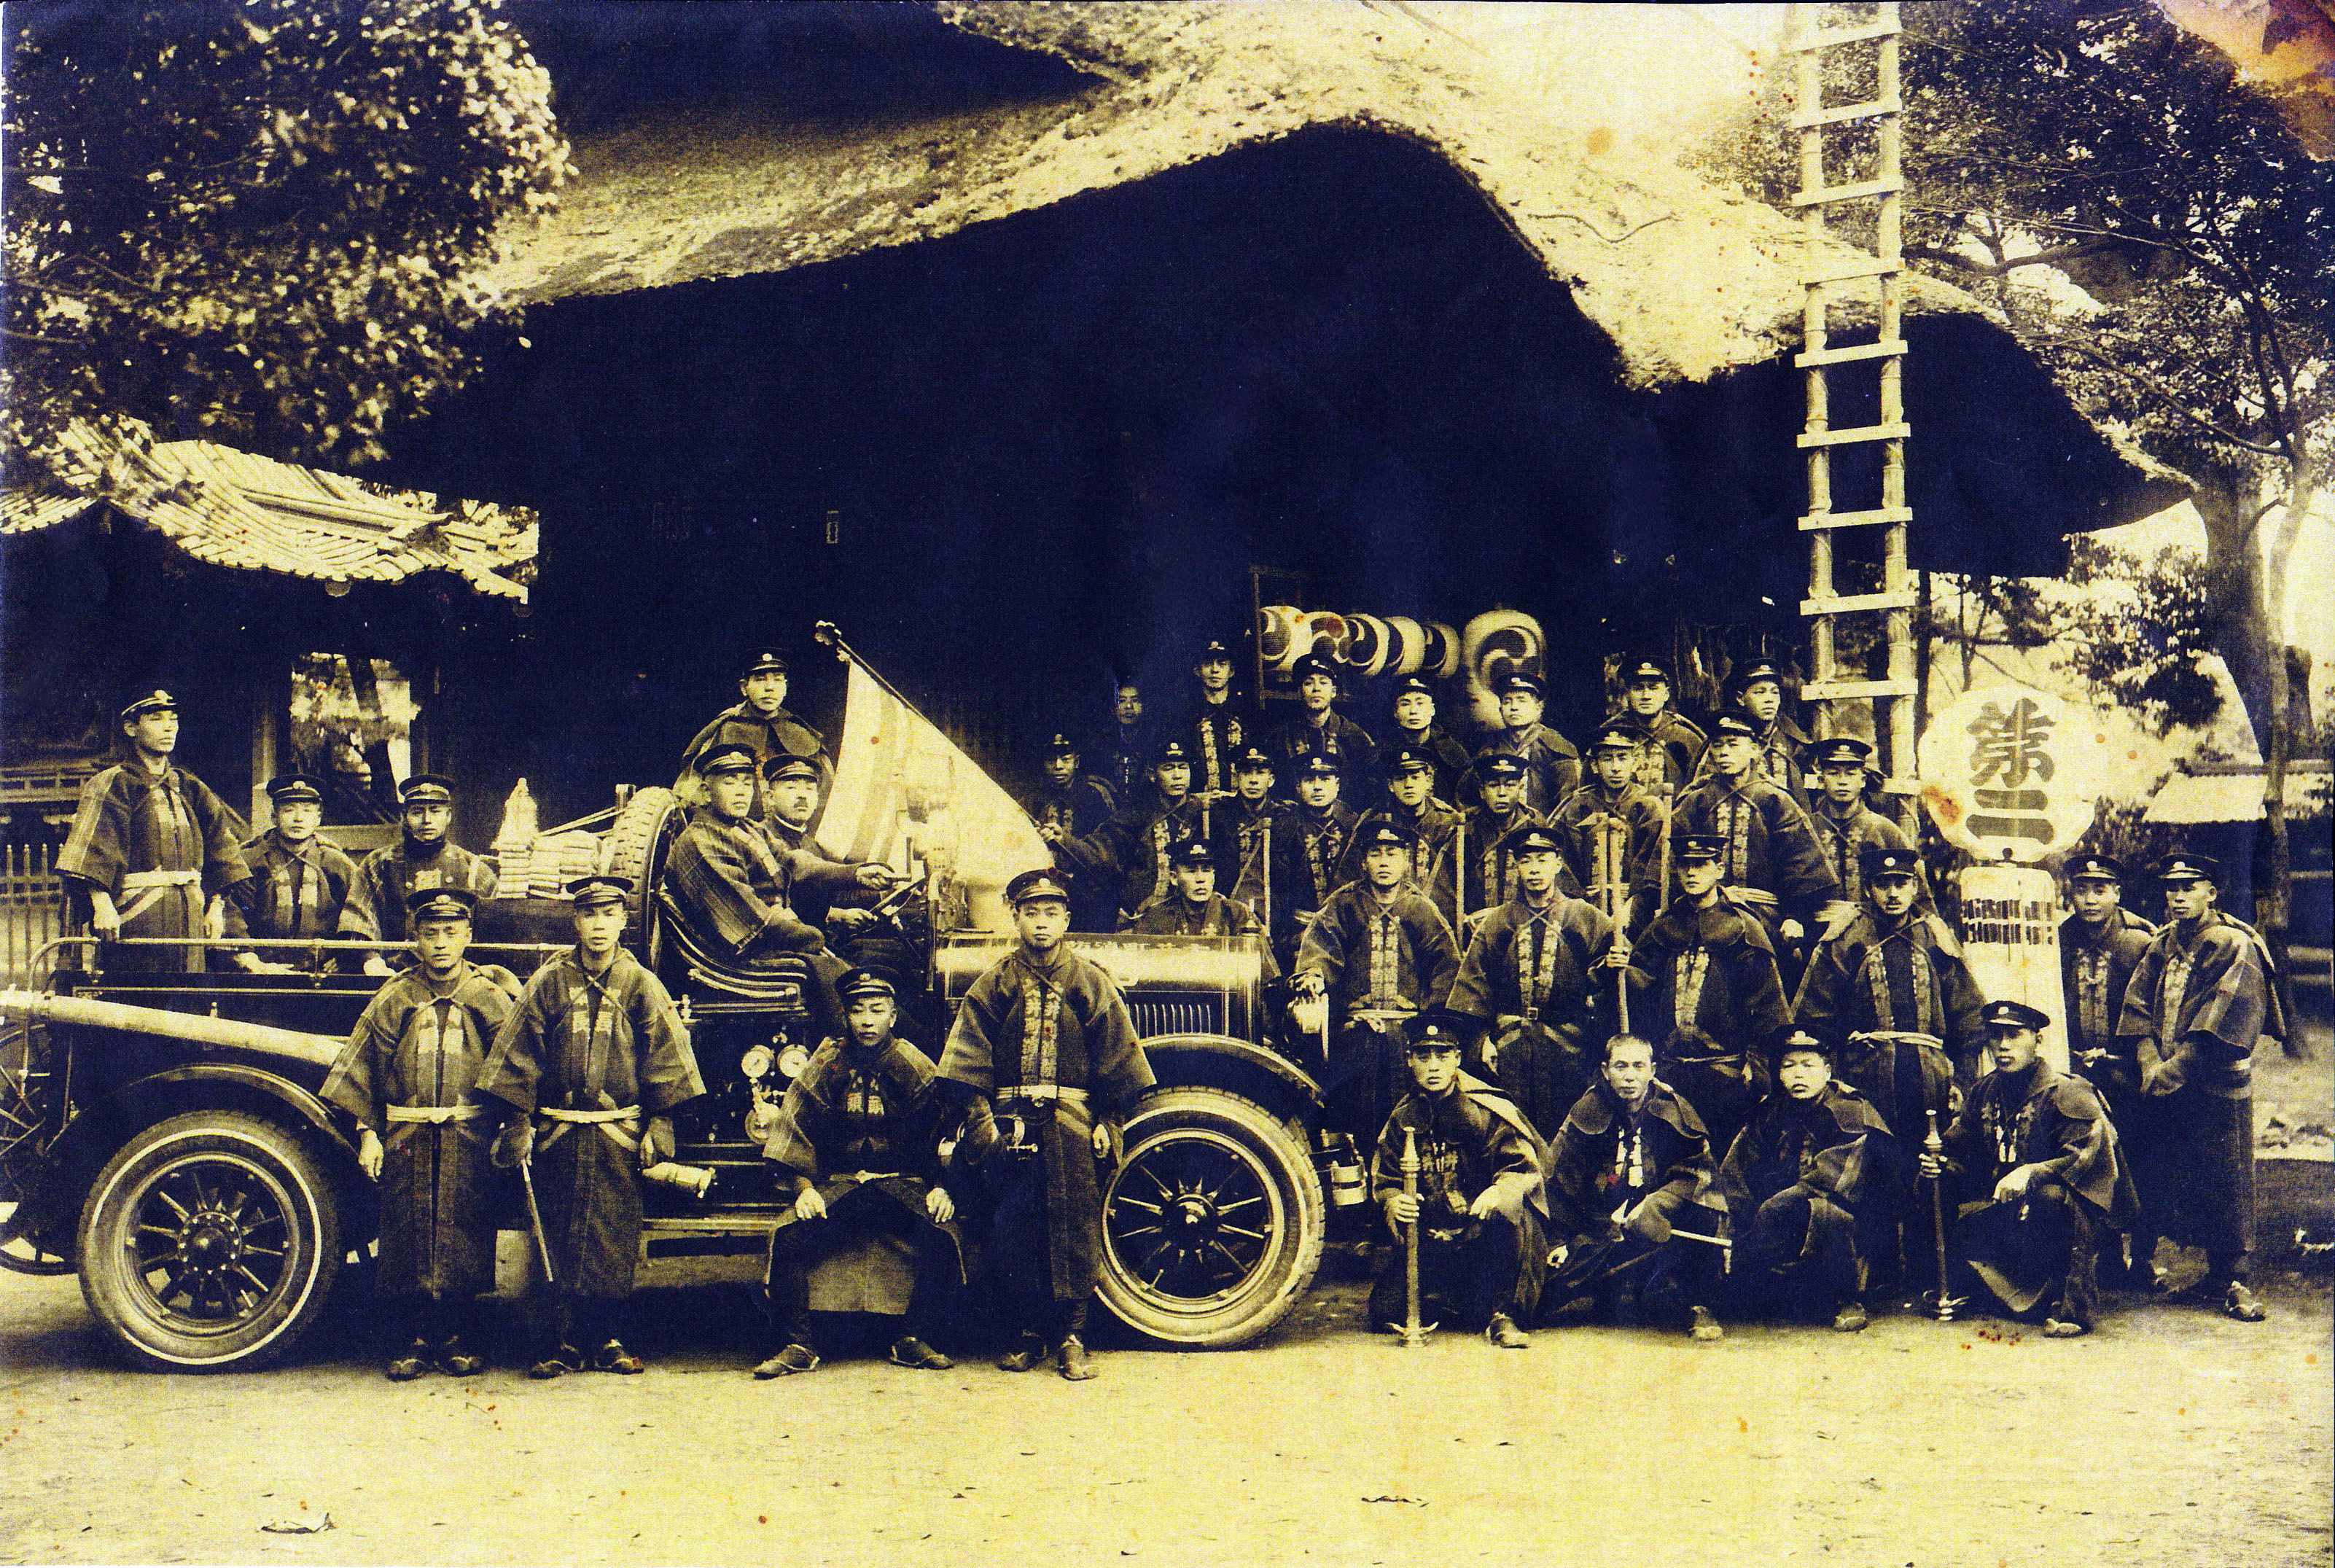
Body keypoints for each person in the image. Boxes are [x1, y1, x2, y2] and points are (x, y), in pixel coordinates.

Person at [476, 875, 706, 1377]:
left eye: (609, 914)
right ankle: (557, 1342)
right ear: (575, 920)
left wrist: (660, 1121)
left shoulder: (641, 982)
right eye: (588, 915)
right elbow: (518, 1052)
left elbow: (666, 1054)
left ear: (623, 920)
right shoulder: (549, 980)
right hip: (559, 1131)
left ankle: (608, 1338)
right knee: (554, 1231)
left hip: (617, 1132)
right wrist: (518, 1120)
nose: (599, 925)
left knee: (612, 1233)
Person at [936, 868, 1155, 1381]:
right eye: (1030, 912)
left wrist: (1110, 1119)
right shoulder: (995, 983)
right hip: (1011, 1125)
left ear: (1067, 919)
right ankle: (1027, 1333)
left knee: (1073, 1226)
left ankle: (1073, 1337)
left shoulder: (1088, 980)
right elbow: (968, 1061)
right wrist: (982, 1122)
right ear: (1014, 917)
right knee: (1014, 1230)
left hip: (1072, 1124)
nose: (1040, 923)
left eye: (1051, 913)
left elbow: (1117, 1057)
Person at [321, 887, 521, 1378]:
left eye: (451, 933)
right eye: (430, 934)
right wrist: (370, 1133)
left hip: (467, 1137)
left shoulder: (489, 996)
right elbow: (363, 1066)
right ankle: (410, 1341)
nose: (440, 944)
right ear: (414, 940)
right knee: (407, 1234)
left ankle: (454, 1337)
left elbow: (514, 1065)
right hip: (407, 1135)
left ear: (468, 936)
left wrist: (513, 1126)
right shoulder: (396, 995)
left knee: (463, 1231)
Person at [754, 969, 964, 1377]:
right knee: (790, 1237)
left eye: (877, 1010)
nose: (867, 1021)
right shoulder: (826, 1062)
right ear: (845, 1016)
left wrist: (943, 1187)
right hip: (842, 1188)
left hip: (899, 1187)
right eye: (857, 1011)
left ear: (893, 1016)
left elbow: (948, 1127)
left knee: (942, 1237)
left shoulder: (912, 1063)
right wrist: (803, 1187)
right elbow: (794, 1123)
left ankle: (912, 1339)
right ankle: (799, 1344)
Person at [2114, 852, 2284, 1322]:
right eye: (2173, 888)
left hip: (2214, 1082)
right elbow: (2138, 1003)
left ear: (2212, 893)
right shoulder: (2163, 942)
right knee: (2173, 1169)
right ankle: (2187, 1269)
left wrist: (2174, 1068)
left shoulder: (2233, 943)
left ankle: (2235, 1279)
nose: (2179, 896)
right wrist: (2149, 1059)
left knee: (2226, 1175)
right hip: (2168, 1080)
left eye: (2190, 887)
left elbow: (2223, 1013)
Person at [1920, 1000, 2138, 1337]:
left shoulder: (2069, 1090)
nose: (2003, 1046)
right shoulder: (1985, 1090)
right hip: (2009, 1209)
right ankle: (1955, 1285)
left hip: (2078, 1215)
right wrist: (1940, 1163)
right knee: (1937, 1180)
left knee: (2053, 1196)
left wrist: (2033, 1172)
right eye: (1995, 1036)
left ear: (2038, 1040)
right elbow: (1961, 1145)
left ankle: (2070, 1307)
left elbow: (2087, 1155)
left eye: (2015, 1035)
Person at [660, 744, 888, 1010]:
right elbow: (750, 919)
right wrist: (813, 938)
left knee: (869, 985)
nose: (741, 791)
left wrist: (856, 873)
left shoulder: (744, 828)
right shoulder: (702, 841)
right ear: (706, 793)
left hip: (775, 944)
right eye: (729, 782)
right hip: (748, 958)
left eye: (747, 783)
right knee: (858, 999)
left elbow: (796, 861)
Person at [1369, 1012, 1546, 1347]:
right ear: (1410, 1061)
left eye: (1443, 1055)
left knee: (1510, 1214)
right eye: (1423, 1056)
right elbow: (1386, 1177)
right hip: (1436, 1235)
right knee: (1384, 1311)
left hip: (1486, 1235)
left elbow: (1522, 1169)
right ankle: (1462, 1304)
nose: (1433, 1066)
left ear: (1458, 1059)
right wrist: (1394, 1200)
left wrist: (1499, 1191)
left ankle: (1501, 1315)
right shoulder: (1402, 1117)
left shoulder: (1487, 1108)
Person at [1535, 1034, 1728, 1341]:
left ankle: (1698, 1304)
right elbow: (1560, 1181)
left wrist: (1657, 1204)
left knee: (1701, 1215)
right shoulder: (1587, 1109)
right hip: (1604, 1227)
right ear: (1605, 1070)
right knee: (1545, 1296)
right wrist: (1559, 1240)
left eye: (1638, 1066)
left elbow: (1700, 1177)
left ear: (1652, 1070)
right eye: (1620, 1066)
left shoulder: (1674, 1109)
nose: (1629, 1076)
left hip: (1661, 1223)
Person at [1293, 819, 1462, 1148]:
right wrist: (1315, 976)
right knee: (1354, 1118)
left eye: (1392, 854)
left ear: (1406, 861)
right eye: (1376, 854)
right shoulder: (1345, 904)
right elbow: (1321, 950)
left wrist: (1424, 1020)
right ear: (1363, 861)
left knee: (1406, 1120)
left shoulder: (1420, 909)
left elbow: (1447, 968)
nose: (1384, 862)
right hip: (1356, 1033)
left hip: (1406, 1035)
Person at [58, 690, 253, 975]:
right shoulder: (113, 784)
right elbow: (94, 848)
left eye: (173, 719)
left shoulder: (190, 787)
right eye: (156, 719)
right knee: (139, 999)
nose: (168, 727)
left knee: (188, 1000)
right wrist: (101, 905)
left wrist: (216, 905)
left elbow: (221, 848)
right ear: (131, 728)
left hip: (189, 913)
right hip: (136, 914)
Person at [1445, 824, 1618, 1140]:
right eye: (1526, 861)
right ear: (1517, 867)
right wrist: (1483, 1037)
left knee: (1564, 1134)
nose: (1535, 869)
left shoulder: (1585, 918)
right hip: (1511, 1047)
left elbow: (1611, 984)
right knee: (1512, 1131)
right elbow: (1474, 984)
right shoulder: (1499, 921)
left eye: (1543, 859)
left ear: (1558, 863)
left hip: (1568, 1048)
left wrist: (1613, 965)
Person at [1623, 834, 1789, 1161]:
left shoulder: (1743, 929)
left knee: (1724, 1166)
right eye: (1685, 866)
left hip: (1725, 1077)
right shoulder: (1663, 927)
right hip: (1670, 1075)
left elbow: (1767, 1005)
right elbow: (1640, 992)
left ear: (1719, 869)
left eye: (1701, 865)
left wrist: (1756, 1065)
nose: (1692, 874)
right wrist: (1616, 970)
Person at [1717, 1031, 1894, 1332]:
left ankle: (1846, 1298)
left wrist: (1772, 1208)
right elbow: (1736, 1169)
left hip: (1849, 1222)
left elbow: (1834, 1180)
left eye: (1808, 1065)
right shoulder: (1770, 1111)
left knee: (1825, 1212)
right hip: (1777, 1220)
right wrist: (1738, 1217)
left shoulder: (1850, 1110)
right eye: (1788, 1066)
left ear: (1827, 1071)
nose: (1798, 1074)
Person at [1794, 845, 1985, 1088]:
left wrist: (1961, 1082)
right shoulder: (1848, 938)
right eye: (1883, 885)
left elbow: (1968, 1015)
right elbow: (1817, 1015)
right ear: (1868, 890)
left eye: (1901, 884)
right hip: (1862, 1075)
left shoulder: (1934, 938)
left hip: (1930, 1076)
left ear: (1915, 888)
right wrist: (1834, 1080)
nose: (1893, 894)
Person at [2057, 852, 2159, 1284]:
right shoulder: (2059, 939)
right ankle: (2105, 1256)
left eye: (2101, 890)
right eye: (2082, 890)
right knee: (2093, 1161)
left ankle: (2144, 1257)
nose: (2091, 900)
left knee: (2141, 1158)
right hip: (2077, 1070)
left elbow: (2156, 1006)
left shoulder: (2140, 941)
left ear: (2117, 892)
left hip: (2128, 1070)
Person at [1667, 709, 1838, 959]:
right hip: (1704, 914)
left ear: (1755, 750)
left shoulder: (1775, 800)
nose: (1724, 753)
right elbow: (1670, 862)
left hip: (1765, 917)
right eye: (1717, 746)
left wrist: (1796, 917)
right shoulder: (1697, 800)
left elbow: (1803, 866)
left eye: (1733, 745)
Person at [1051, 737, 1228, 923]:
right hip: (1148, 917)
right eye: (1168, 768)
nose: (1177, 775)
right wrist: (1064, 839)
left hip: (1199, 916)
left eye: (1182, 767)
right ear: (1153, 775)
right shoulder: (1136, 815)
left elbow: (1226, 866)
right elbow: (1101, 852)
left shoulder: (1206, 814)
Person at [338, 775, 498, 975]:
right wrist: (371, 961)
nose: (427, 820)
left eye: (435, 811)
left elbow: (492, 928)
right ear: (404, 818)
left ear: (448, 816)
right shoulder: (380, 863)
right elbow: (358, 917)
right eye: (417, 812)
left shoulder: (472, 867)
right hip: (392, 972)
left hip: (458, 973)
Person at [222, 773, 356, 974]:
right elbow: (233, 912)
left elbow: (357, 911)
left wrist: (344, 954)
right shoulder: (250, 861)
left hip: (323, 970)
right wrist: (250, 959)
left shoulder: (336, 863)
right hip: (261, 969)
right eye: (289, 811)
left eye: (308, 811)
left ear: (318, 819)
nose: (298, 819)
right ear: (274, 817)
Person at [676, 649, 831, 814]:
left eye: (778, 680)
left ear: (786, 687)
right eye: (759, 680)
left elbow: (827, 793)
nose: (770, 688)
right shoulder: (725, 727)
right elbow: (692, 791)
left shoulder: (803, 733)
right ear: (744, 688)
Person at [1546, 722, 1661, 931]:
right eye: (1607, 759)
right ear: (1595, 766)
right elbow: (1562, 859)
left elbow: (1654, 860)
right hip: (1585, 908)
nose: (1615, 767)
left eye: (1623, 758)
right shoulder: (1578, 805)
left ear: (1635, 764)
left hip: (1635, 910)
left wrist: (1634, 904)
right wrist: (1580, 905)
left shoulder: (1648, 806)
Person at [1435, 752, 1562, 926]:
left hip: (1526, 922)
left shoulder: (1535, 825)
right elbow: (1444, 887)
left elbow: (1557, 883)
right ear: (1482, 791)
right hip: (1474, 926)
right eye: (1494, 786)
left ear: (1520, 787)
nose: (1502, 793)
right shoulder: (1466, 829)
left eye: (1510, 785)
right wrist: (1462, 919)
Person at [1124, 838, 1279, 979]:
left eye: (1206, 870)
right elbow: (1140, 971)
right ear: (1174, 878)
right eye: (1191, 871)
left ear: (1213, 875)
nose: (1200, 879)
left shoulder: (1237, 914)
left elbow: (1264, 975)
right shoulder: (1156, 916)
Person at [1803, 737, 1916, 921]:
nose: (1842, 782)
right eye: (1833, 773)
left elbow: (1913, 888)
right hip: (1816, 926)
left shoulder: (1884, 829)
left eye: (1850, 774)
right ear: (1822, 780)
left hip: (1872, 928)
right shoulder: (1806, 828)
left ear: (1863, 780)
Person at [1221, 744, 1309, 962]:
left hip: (1276, 926)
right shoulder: (1218, 817)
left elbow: (1298, 877)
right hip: (1227, 922)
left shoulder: (1286, 818)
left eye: (1260, 773)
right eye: (1246, 773)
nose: (1253, 780)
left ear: (1270, 780)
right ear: (1237, 778)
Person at [1028, 733, 1120, 932]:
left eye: (1065, 759)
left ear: (1076, 762)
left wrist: (1064, 841)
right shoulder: (1038, 798)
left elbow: (1105, 852)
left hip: (1092, 894)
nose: (1058, 766)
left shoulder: (1095, 794)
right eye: (1051, 760)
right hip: (1052, 892)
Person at [1349, 744, 1461, 900]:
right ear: (1391, 785)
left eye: (1415, 777)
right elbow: (1353, 875)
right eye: (1401, 779)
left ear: (1428, 781)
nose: (1409, 785)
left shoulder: (1448, 821)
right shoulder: (1375, 821)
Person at [1268, 654, 1378, 790]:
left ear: (1333, 692)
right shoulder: (1281, 737)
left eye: (1323, 682)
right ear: (1299, 692)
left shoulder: (1352, 735)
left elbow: (1371, 784)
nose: (1316, 688)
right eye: (1308, 683)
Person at [1478, 671, 1579, 816]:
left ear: (1538, 709)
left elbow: (1569, 804)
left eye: (1521, 700)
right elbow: (1469, 796)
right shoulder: (1491, 748)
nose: (1514, 707)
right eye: (1507, 701)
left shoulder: (1554, 747)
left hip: (1543, 833)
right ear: (1501, 710)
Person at [1285, 752, 1363, 928]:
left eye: (1325, 779)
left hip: (1347, 926)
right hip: (1299, 927)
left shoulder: (1354, 827)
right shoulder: (1286, 828)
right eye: (1309, 780)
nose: (1317, 787)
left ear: (1337, 785)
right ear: (1298, 787)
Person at [1728, 658, 1812, 810]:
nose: (1769, 700)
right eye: (1760, 692)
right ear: (1740, 698)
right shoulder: (1727, 740)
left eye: (1774, 692)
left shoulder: (1792, 741)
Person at [1611, 656, 1705, 790]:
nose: (1646, 696)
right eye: (1638, 689)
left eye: (1653, 688)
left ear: (1666, 695)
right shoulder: (1614, 735)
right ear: (1628, 695)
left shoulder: (1686, 739)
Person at [1180, 639, 1257, 800]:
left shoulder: (1247, 716)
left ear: (1231, 671)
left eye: (1222, 664)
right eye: (1208, 664)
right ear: (1197, 670)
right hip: (1197, 805)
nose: (1215, 670)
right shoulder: (1185, 718)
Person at [1381, 675, 1472, 806]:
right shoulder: (1384, 752)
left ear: (1432, 710)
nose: (1413, 711)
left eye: (1420, 703)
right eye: (1405, 704)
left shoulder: (1453, 752)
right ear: (1395, 712)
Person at [1097, 679, 1150, 806]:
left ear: (1144, 706)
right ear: (1114, 708)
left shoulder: (1154, 741)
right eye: (1122, 701)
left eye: (1135, 700)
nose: (1128, 707)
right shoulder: (1102, 743)